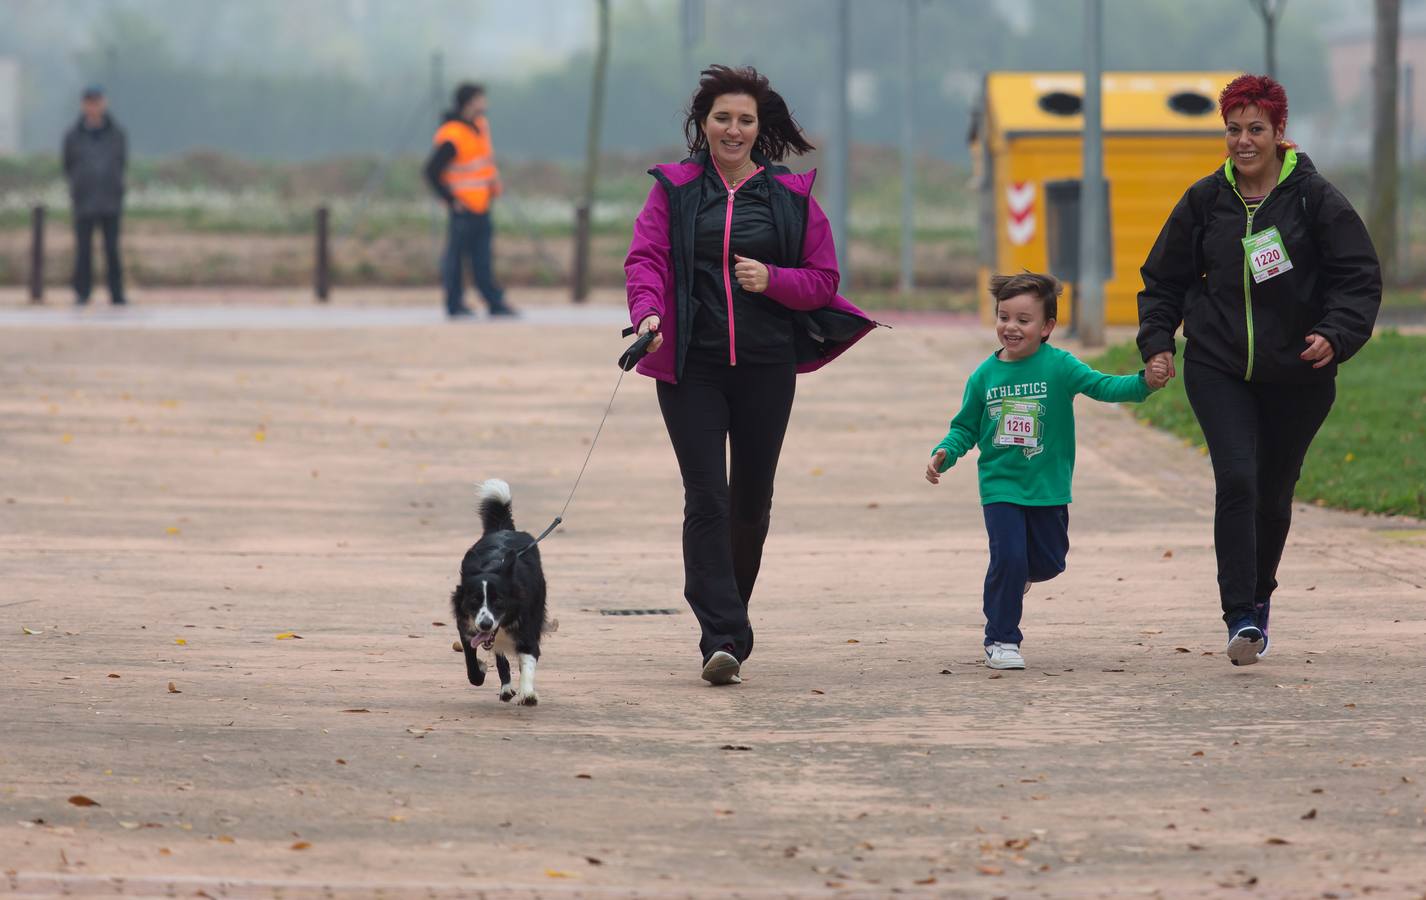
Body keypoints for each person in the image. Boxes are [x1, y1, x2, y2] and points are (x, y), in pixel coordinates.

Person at [625, 65, 875, 686]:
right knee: (706, 498)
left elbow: (823, 280)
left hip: (767, 368)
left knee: (750, 503)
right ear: (703, 124)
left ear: (759, 129)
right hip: (691, 369)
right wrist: (648, 313)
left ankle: (730, 616)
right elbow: (646, 258)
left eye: (744, 119)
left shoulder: (791, 199)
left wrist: (774, 280)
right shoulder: (675, 190)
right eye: (721, 118)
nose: (732, 129)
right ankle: (722, 634)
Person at [1137, 74, 1381, 666]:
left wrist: (1337, 334)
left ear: (1278, 133)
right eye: (1233, 129)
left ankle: (1259, 597)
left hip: (1298, 373)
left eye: (1255, 129)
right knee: (1239, 480)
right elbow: (1163, 279)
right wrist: (1157, 342)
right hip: (1218, 366)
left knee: (1273, 493)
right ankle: (1239, 616)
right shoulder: (1204, 201)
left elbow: (1357, 278)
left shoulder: (1314, 199)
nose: (1243, 141)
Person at [925, 272, 1166, 670]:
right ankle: (1001, 638)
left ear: (1047, 327)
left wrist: (1145, 383)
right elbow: (965, 427)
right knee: (1008, 559)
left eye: (1023, 319)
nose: (1011, 327)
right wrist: (944, 454)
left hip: (1048, 485)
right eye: (1004, 317)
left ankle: (1017, 579)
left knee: (1051, 561)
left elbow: (1103, 386)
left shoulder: (1059, 366)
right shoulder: (984, 375)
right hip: (1000, 485)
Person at [424, 82, 516, 319]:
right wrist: (451, 199)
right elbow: (431, 171)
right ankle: (454, 304)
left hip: (483, 204)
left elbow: (483, 165)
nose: (485, 104)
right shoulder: (453, 134)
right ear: (469, 102)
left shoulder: (480, 127)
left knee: (483, 260)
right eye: (481, 99)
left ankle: (494, 302)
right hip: (463, 209)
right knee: (455, 260)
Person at [62, 85, 127, 306]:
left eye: (97, 102)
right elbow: (68, 165)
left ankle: (116, 293)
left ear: (103, 103)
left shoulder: (116, 133)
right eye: (89, 102)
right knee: (83, 250)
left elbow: (121, 162)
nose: (93, 107)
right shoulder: (73, 136)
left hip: (110, 199)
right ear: (83, 105)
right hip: (84, 199)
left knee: (112, 249)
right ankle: (82, 293)